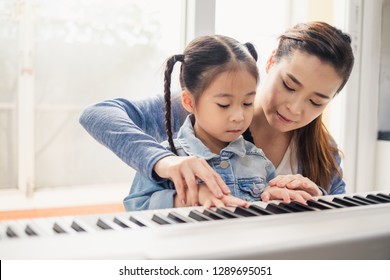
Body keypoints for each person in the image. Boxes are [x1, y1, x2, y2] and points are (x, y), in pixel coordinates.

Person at [79, 21, 354, 207]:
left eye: (316, 102)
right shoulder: (198, 111)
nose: (295, 108)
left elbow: (340, 227)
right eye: (289, 86)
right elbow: (98, 114)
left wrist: (317, 199)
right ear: (271, 62)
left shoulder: (324, 152)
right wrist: (163, 162)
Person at [123, 35, 278, 211]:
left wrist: (279, 194)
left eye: (247, 103)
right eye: (224, 105)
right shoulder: (166, 158)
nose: (239, 116)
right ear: (189, 101)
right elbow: (135, 208)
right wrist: (189, 197)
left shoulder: (257, 159)